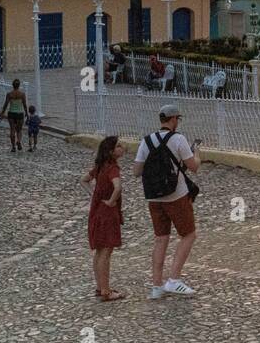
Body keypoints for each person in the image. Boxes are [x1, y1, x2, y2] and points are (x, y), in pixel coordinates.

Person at [132, 103, 200, 299]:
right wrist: (197, 154)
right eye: (178, 118)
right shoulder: (178, 139)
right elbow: (193, 167)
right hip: (175, 195)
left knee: (161, 238)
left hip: (154, 197)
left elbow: (136, 171)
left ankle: (156, 286)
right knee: (188, 235)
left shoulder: (146, 141)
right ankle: (174, 279)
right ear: (173, 120)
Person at [83, 135, 126, 301]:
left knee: (100, 251)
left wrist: (94, 195)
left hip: (97, 210)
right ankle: (106, 291)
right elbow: (118, 187)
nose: (122, 148)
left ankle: (100, 286)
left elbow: (84, 180)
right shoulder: (112, 168)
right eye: (118, 146)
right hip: (107, 213)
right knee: (106, 251)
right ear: (111, 151)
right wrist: (111, 201)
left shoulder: (100, 166)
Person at [0, 78, 28, 152]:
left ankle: (13, 147)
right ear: (19, 85)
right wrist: (27, 115)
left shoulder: (9, 94)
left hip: (11, 114)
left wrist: (2, 113)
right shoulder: (22, 94)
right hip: (20, 114)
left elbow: (5, 104)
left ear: (12, 85)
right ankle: (18, 141)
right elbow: (25, 105)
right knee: (19, 130)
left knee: (12, 130)